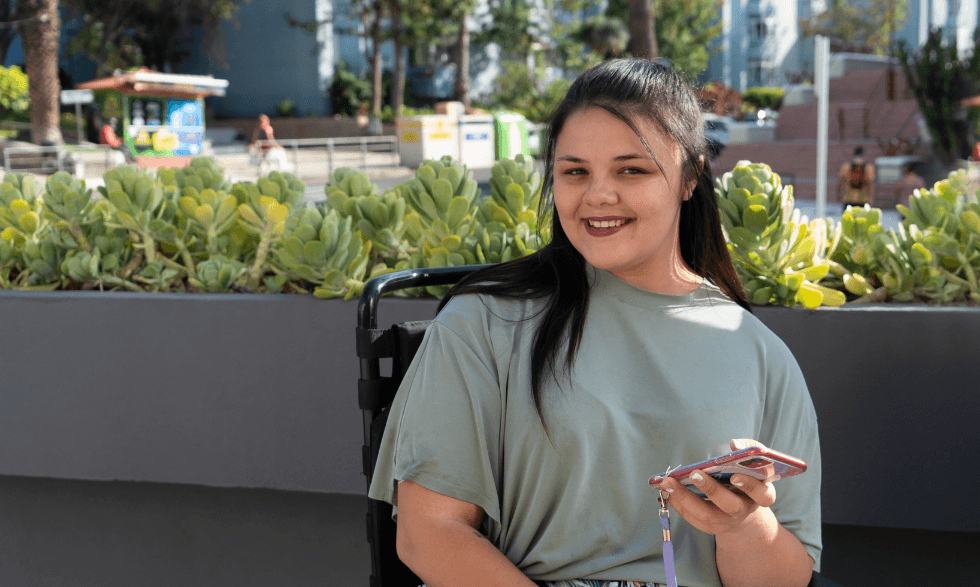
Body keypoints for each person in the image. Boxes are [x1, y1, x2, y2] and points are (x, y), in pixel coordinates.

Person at [369, 59, 821, 587]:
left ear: (689, 178)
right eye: (575, 171)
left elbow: (787, 580)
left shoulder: (761, 354)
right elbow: (430, 534)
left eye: (632, 169)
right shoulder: (483, 323)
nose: (598, 195)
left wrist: (743, 524)